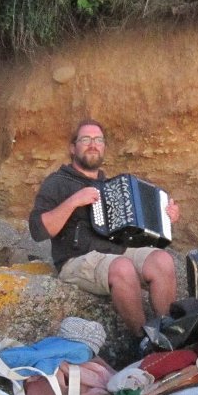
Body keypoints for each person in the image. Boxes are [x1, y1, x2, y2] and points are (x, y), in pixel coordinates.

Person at [29, 119, 180, 335]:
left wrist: (165, 217)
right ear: (73, 148)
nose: (93, 144)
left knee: (162, 260)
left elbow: (133, 230)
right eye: (86, 139)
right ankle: (144, 340)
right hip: (76, 258)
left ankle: (169, 334)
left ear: (104, 148)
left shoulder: (108, 185)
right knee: (122, 267)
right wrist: (73, 202)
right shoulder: (57, 182)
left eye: (98, 140)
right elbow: (37, 230)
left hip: (114, 250)